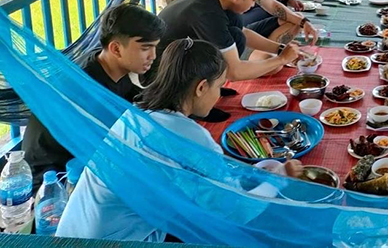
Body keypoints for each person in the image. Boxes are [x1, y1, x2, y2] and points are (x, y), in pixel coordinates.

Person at [57, 38, 303, 242]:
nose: (218, 96)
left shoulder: (136, 114)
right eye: (218, 87)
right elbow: (235, 210)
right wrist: (278, 179)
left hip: (72, 235)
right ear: (201, 88)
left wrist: (254, 175)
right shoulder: (189, 136)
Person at [23, 3, 165, 190]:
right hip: (53, 183)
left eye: (155, 47)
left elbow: (134, 99)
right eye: (146, 48)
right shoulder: (88, 93)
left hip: (80, 162)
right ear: (116, 49)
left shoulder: (105, 64)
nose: (153, 56)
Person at [157, 0, 303, 84]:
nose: (253, 6)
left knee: (237, 35)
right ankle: (196, 100)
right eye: (253, 1)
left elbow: (245, 33)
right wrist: (282, 59)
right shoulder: (207, 13)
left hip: (181, 61)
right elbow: (234, 73)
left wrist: (280, 49)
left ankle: (213, 87)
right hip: (161, 77)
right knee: (233, 57)